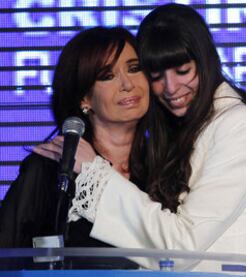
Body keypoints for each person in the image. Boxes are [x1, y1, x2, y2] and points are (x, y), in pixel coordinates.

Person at [35, 3, 246, 276]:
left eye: (182, 70)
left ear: (205, 61)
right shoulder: (177, 130)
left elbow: (182, 248)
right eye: (156, 75)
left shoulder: (238, 124)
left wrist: (95, 174)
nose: (170, 88)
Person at [0, 26, 150, 269]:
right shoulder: (51, 168)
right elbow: (6, 254)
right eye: (107, 76)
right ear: (84, 98)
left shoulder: (168, 166)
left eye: (134, 69)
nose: (127, 84)